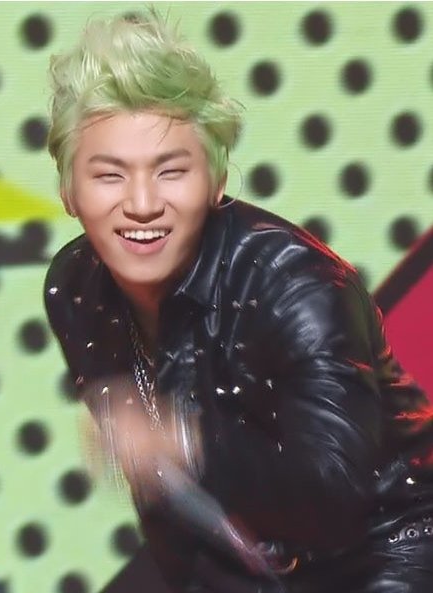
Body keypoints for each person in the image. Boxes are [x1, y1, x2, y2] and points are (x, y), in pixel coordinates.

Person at [44, 10, 433, 593]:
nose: (143, 204)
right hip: (254, 564)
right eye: (110, 176)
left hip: (390, 549)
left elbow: (334, 494)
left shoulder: (296, 285)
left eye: (170, 171)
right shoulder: (76, 290)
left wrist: (185, 441)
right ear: (67, 190)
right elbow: (171, 502)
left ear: (216, 179)